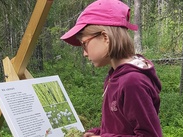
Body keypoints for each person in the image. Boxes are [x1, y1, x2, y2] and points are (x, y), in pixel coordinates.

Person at [60, 0, 163, 136]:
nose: (84, 53)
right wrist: (98, 132)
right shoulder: (115, 76)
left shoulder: (132, 82)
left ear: (104, 37)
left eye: (84, 44)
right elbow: (122, 127)